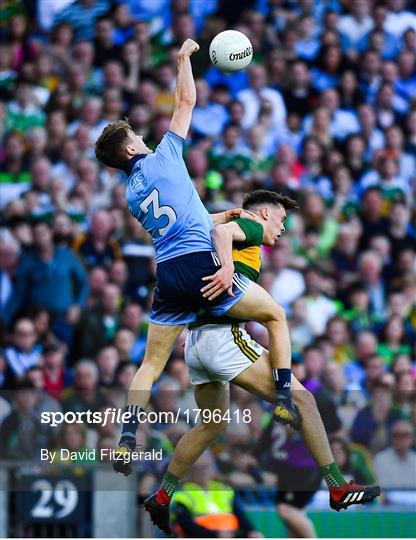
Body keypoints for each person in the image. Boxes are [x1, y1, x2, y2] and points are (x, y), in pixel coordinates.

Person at [94, 39, 301, 472]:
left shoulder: (132, 193)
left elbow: (183, 217)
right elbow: (187, 99)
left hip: (168, 272)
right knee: (274, 315)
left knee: (150, 364)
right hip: (201, 264)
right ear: (131, 149)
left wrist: (217, 213)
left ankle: (128, 436)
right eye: (137, 136)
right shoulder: (164, 156)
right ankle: (284, 396)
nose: (144, 138)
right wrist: (184, 59)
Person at [144, 191, 381, 534]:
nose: (283, 229)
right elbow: (223, 233)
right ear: (266, 213)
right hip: (224, 337)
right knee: (304, 399)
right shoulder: (252, 226)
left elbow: (200, 226)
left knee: (213, 425)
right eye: (282, 219)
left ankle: (163, 495)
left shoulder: (233, 229)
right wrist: (227, 264)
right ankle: (337, 485)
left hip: (195, 342)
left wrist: (222, 221)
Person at [170, 451, 263, 538]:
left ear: (212, 468)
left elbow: (240, 516)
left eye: (206, 466)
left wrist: (251, 531)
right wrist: (215, 534)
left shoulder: (225, 491)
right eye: (197, 468)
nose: (203, 471)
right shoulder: (182, 496)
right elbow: (185, 525)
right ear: (189, 471)